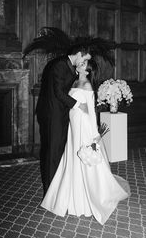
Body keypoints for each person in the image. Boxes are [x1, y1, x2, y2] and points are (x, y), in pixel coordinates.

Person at [41, 59, 130, 225]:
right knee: (72, 157)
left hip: (83, 126)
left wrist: (95, 134)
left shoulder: (87, 85)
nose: (79, 65)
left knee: (84, 160)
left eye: (83, 65)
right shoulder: (75, 81)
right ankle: (71, 195)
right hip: (73, 126)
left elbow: (90, 111)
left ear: (87, 71)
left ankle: (89, 197)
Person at [36, 44, 92, 196]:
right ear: (79, 54)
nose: (83, 64)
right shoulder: (59, 65)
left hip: (60, 114)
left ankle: (57, 187)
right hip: (52, 114)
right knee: (53, 152)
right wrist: (80, 105)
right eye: (84, 59)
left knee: (59, 150)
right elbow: (59, 93)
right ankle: (50, 192)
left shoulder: (68, 66)